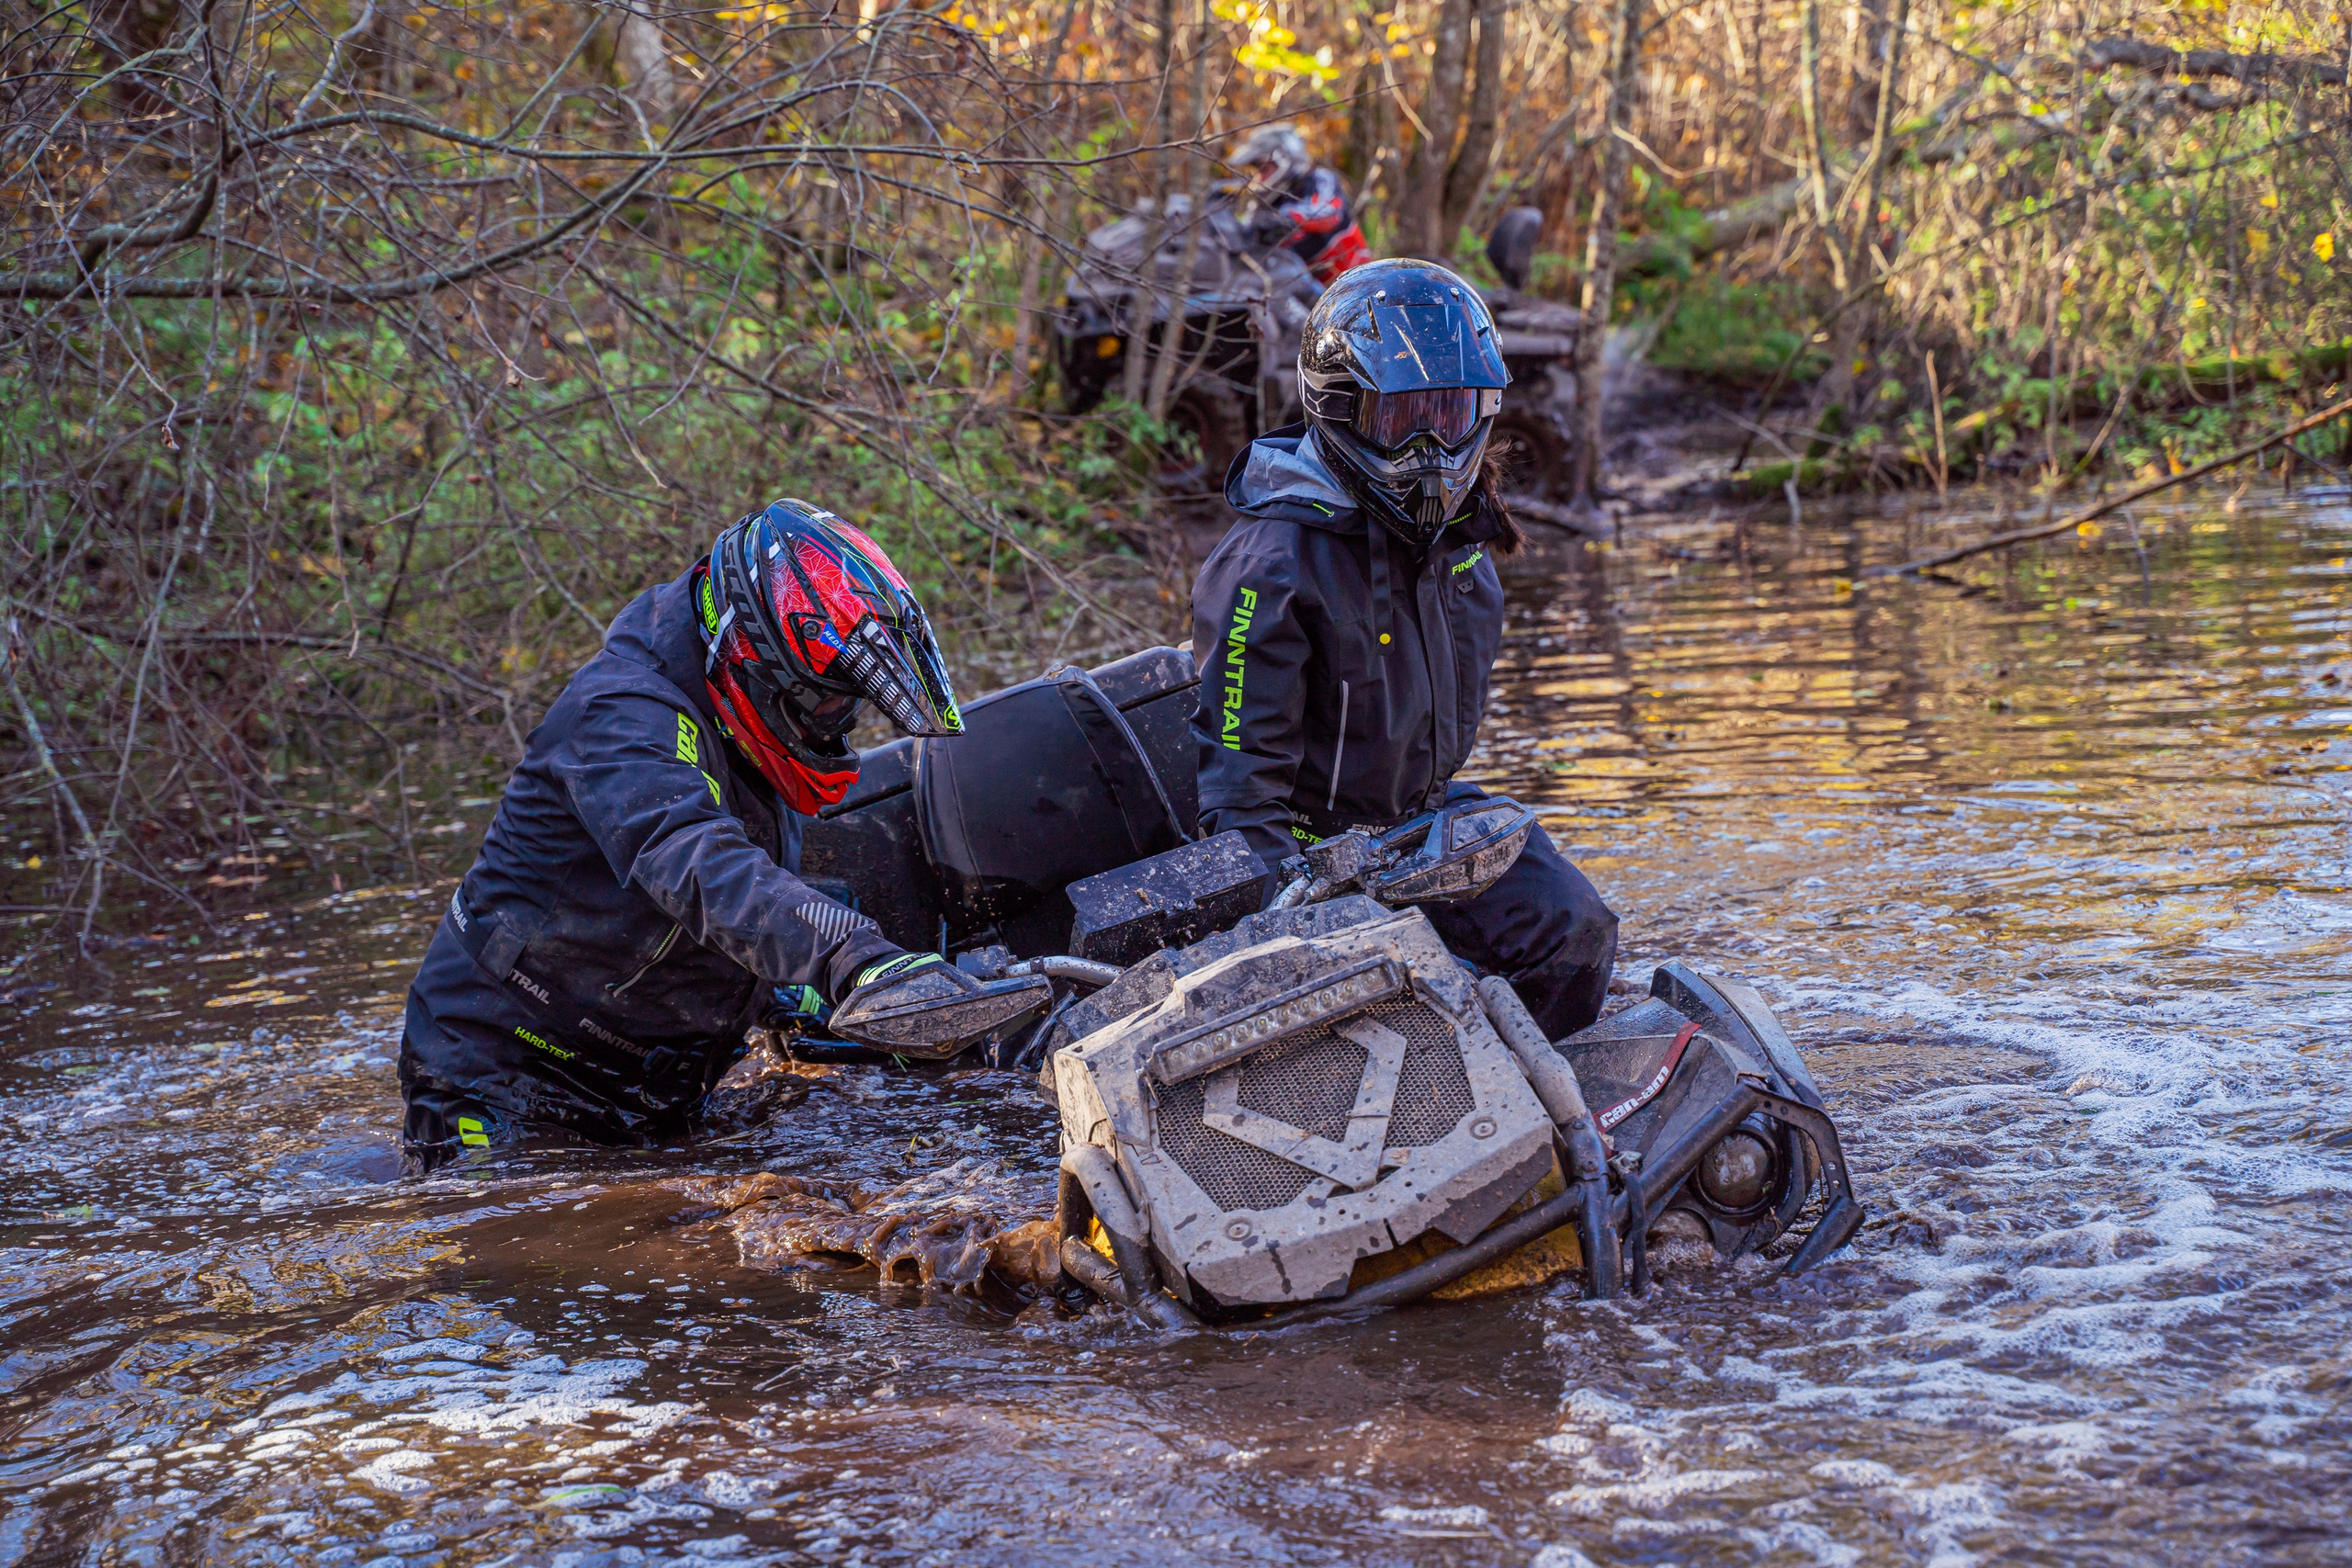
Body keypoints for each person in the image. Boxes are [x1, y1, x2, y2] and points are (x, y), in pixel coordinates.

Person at [398, 501, 1046, 1171]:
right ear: (757, 663)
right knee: (530, 1247)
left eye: (846, 705)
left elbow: (722, 908)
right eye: (825, 704)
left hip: (655, 1090)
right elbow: (693, 860)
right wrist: (850, 955)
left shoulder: (733, 719)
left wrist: (820, 996)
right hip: (501, 1075)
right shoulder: (621, 715)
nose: (835, 722)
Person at [1188, 258, 1620, 1040]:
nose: (1429, 445)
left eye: (1448, 415)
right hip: (1305, 855)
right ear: (1342, 409)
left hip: (1417, 824)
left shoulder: (1463, 540)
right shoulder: (1269, 564)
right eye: (1403, 419)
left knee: (1574, 931)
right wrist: (1302, 930)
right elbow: (1240, 799)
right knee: (1362, 1009)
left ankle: (1519, 1090)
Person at [1230, 122, 1372, 285]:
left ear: (1284, 160)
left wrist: (1285, 219)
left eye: (1263, 169)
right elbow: (1245, 233)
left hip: (1353, 281)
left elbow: (1330, 215)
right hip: (1297, 285)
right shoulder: (1266, 202)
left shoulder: (1319, 179)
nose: (1259, 178)